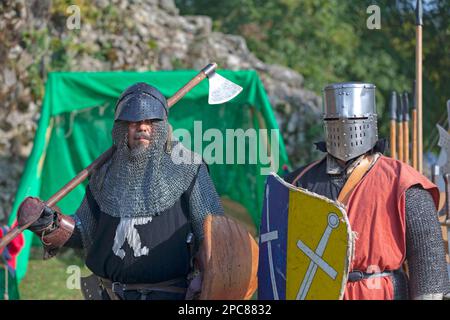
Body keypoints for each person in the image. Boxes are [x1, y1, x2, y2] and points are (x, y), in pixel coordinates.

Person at [17, 83, 224, 300]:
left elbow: (214, 235)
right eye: (134, 121)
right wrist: (51, 224)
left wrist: (208, 279)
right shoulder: (104, 175)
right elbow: (84, 231)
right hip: (110, 294)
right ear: (122, 127)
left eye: (150, 121)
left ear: (162, 126)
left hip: (170, 295)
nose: (142, 127)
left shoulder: (187, 168)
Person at [284, 82, 449, 300]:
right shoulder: (298, 182)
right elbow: (280, 256)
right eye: (335, 121)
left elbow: (426, 260)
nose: (344, 127)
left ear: (369, 122)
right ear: (326, 123)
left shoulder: (403, 183)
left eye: (353, 121)